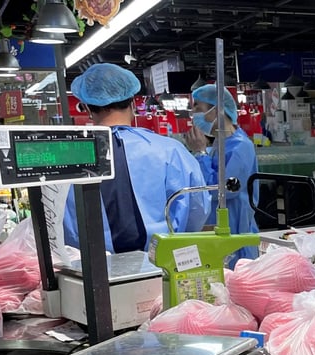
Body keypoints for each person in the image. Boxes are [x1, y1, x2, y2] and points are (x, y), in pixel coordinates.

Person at [63, 64, 210, 253]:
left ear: (86, 107)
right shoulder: (170, 150)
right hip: (162, 263)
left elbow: (59, 221)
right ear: (132, 101)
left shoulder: (69, 157)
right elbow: (197, 209)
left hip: (91, 270)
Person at [186, 84, 259, 264]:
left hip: (236, 233)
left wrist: (200, 152)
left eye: (198, 107)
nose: (193, 113)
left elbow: (222, 191)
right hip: (218, 230)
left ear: (217, 110)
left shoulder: (240, 147)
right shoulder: (220, 144)